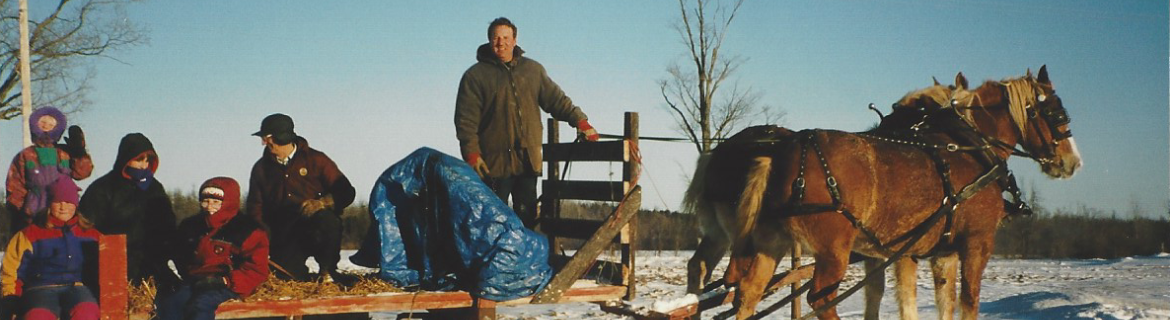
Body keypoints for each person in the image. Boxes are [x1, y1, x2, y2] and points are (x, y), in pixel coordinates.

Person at [454, 17, 600, 229]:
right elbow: (465, 121)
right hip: (492, 165)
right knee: (493, 223)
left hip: (527, 163)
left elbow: (556, 100)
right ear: (488, 41)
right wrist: (471, 153)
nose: (500, 43)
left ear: (514, 40)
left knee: (527, 221)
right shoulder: (475, 77)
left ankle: (524, 262)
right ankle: (494, 262)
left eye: (505, 37)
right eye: (495, 38)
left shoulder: (532, 71)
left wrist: (581, 121)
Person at [247, 113, 355, 282]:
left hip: (315, 227)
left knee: (327, 221)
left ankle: (327, 272)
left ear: (281, 137)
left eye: (267, 138)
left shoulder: (316, 160)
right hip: (284, 234)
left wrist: (323, 203)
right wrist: (262, 239)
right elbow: (255, 208)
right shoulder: (261, 169)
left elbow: (346, 191)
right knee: (286, 277)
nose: (263, 143)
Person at [155, 177, 268, 320]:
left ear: (229, 203)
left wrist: (225, 281)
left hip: (226, 284)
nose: (209, 206)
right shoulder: (191, 226)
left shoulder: (248, 231)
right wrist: (179, 275)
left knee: (201, 304)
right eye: (205, 201)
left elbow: (257, 269)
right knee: (172, 302)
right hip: (195, 281)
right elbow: (178, 256)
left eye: (216, 202)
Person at [77, 133, 179, 286]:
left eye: (147, 160)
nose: (143, 166)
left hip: (149, 261)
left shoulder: (154, 188)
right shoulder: (103, 188)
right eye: (138, 160)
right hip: (113, 262)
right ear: (126, 159)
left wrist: (164, 251)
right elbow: (86, 227)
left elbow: (167, 225)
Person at [1, 177, 101, 320]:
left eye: (68, 202)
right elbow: (12, 269)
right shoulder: (30, 234)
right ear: (49, 204)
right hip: (40, 288)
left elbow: (109, 260)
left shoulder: (90, 233)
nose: (63, 207)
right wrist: (11, 298)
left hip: (76, 287)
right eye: (58, 202)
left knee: (86, 311)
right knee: (38, 316)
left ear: (76, 204)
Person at [6, 106, 93, 234]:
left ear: (57, 126)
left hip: (63, 207)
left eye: (51, 123)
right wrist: (17, 212)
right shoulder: (26, 155)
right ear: (35, 124)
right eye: (43, 122)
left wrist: (79, 153)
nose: (46, 126)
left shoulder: (65, 152)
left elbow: (83, 172)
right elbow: (15, 185)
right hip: (35, 208)